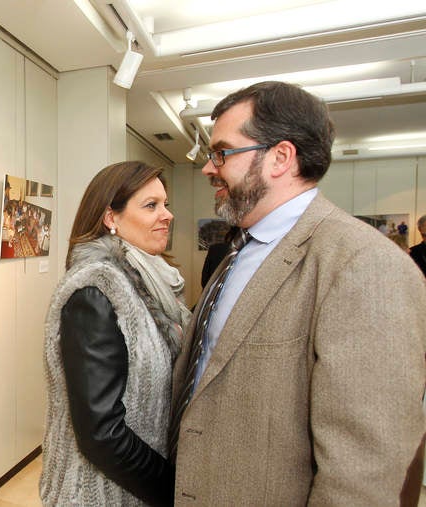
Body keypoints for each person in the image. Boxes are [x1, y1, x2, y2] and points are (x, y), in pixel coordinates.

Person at [170, 81, 426, 504]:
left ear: (280, 158)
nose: (208, 168)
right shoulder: (240, 248)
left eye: (222, 152)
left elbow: (362, 473)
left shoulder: (365, 265)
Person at [40, 162, 183, 506]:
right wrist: (173, 488)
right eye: (151, 206)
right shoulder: (96, 292)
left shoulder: (153, 284)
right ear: (111, 219)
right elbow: (101, 433)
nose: (167, 215)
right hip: (99, 495)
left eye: (165, 204)